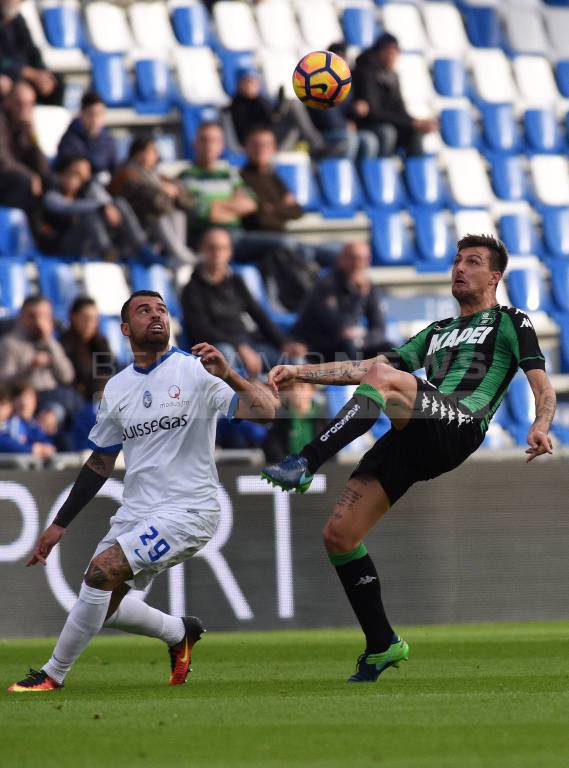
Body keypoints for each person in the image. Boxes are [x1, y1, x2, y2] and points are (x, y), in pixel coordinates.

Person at [261, 233, 556, 682]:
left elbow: (542, 384)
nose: (459, 268)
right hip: (416, 431)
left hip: (459, 423)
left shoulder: (512, 320)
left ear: (494, 276)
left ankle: (305, 461)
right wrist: (301, 372)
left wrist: (541, 423)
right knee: (339, 535)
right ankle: (382, 644)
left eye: (472, 262)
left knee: (386, 375)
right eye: (457, 260)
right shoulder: (436, 332)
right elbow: (367, 369)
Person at [8, 289, 276, 692]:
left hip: (190, 509)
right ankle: (178, 632)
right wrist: (59, 524)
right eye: (144, 310)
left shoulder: (196, 371)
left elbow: (267, 412)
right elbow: (99, 462)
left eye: (162, 310)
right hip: (136, 511)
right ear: (124, 328)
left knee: (100, 574)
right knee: (102, 603)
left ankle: (51, 675)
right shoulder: (116, 388)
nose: (156, 315)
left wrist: (231, 376)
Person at [181, 228, 305, 376]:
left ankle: (299, 398)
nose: (217, 253)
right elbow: (202, 331)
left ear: (229, 252)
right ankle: (245, 396)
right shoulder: (191, 289)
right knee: (224, 354)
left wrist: (284, 343)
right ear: (202, 250)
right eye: (212, 248)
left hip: (246, 344)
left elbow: (259, 315)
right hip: (220, 347)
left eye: (222, 248)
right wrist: (239, 346)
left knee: (295, 359)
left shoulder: (236, 281)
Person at [291, 241, 389, 362]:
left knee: (388, 348)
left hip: (349, 343)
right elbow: (338, 326)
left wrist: (363, 340)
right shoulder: (326, 285)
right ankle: (352, 380)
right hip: (317, 344)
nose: (358, 264)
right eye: (353, 258)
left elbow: (379, 328)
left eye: (364, 259)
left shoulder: (370, 287)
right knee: (348, 345)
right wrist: (359, 295)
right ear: (341, 259)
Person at [39, 155, 149, 261]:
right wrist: (101, 207)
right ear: (61, 175)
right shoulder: (52, 195)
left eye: (78, 177)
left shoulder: (85, 191)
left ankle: (141, 247)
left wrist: (105, 205)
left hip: (88, 243)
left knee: (119, 203)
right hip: (63, 244)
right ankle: (107, 251)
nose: (74, 180)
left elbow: (107, 202)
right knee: (88, 215)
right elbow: (68, 207)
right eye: (70, 175)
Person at [110, 135, 195, 265]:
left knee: (178, 213)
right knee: (159, 216)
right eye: (149, 151)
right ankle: (178, 253)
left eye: (155, 151)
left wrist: (175, 193)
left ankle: (179, 252)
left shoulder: (158, 176)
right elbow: (153, 203)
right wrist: (164, 191)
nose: (153, 155)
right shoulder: (126, 176)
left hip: (156, 231)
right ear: (137, 153)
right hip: (135, 229)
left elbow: (188, 202)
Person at [352, 32, 438, 157]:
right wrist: (411, 122)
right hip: (366, 125)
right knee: (387, 133)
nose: (391, 57)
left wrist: (415, 122)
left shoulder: (392, 76)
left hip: (388, 122)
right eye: (388, 52)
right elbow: (374, 112)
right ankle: (380, 170)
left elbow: (400, 108)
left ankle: (413, 171)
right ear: (378, 52)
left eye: (394, 53)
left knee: (415, 132)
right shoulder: (366, 73)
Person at [178, 121, 257, 246]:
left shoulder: (230, 174)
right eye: (204, 140)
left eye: (214, 140)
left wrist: (217, 206)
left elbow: (250, 204)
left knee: (289, 245)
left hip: (238, 237)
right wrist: (233, 208)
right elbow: (203, 213)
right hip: (205, 240)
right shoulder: (185, 177)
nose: (209, 145)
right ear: (195, 143)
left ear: (222, 146)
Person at [0, 296, 75, 412]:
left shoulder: (52, 342)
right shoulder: (9, 344)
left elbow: (67, 376)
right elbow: (4, 385)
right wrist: (30, 367)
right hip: (28, 398)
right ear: (21, 318)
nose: (38, 321)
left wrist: (48, 341)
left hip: (56, 395)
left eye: (44, 316)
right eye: (33, 316)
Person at [307, 43, 379, 163]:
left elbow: (345, 110)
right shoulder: (318, 83)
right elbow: (327, 116)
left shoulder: (345, 83)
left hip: (342, 130)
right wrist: (344, 126)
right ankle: (341, 176)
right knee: (350, 140)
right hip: (324, 133)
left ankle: (362, 178)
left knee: (370, 140)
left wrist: (356, 110)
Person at [229, 67, 326, 155]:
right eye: (247, 81)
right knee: (293, 106)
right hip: (256, 145)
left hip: (271, 140)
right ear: (239, 83)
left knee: (293, 106)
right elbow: (252, 130)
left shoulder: (261, 100)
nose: (251, 85)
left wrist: (278, 111)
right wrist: (275, 116)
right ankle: (317, 146)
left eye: (254, 81)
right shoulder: (236, 105)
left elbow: (271, 119)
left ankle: (316, 146)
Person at [0, 79, 48, 214]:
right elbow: (2, 161)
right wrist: (30, 175)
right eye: (18, 104)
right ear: (7, 102)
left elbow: (42, 167)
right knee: (23, 181)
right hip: (6, 179)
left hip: (16, 176)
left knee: (50, 180)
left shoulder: (25, 126)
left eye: (29, 105)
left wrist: (32, 132)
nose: (24, 109)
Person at [0, 0, 62, 104]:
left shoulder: (18, 20)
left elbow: (32, 50)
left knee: (55, 82)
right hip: (7, 73)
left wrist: (42, 72)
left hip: (24, 72)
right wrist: (29, 73)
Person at [60, 297, 114, 402]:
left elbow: (107, 371)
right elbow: (71, 380)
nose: (90, 323)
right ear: (73, 317)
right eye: (85, 317)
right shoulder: (64, 344)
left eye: (94, 318)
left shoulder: (101, 342)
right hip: (77, 399)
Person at [262, 382, 328, 463]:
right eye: (291, 388)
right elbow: (273, 451)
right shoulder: (280, 419)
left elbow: (331, 451)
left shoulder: (323, 419)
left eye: (301, 387)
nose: (296, 391)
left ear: (312, 390)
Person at [56, 91, 118, 178]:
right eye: (91, 114)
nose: (95, 120)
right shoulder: (69, 141)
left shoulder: (108, 140)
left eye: (100, 114)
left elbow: (114, 169)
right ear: (82, 114)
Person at [0, 383, 55, 458]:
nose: (24, 403)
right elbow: (2, 442)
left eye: (28, 397)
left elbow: (47, 445)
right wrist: (30, 449)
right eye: (20, 397)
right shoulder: (7, 424)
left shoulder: (35, 427)